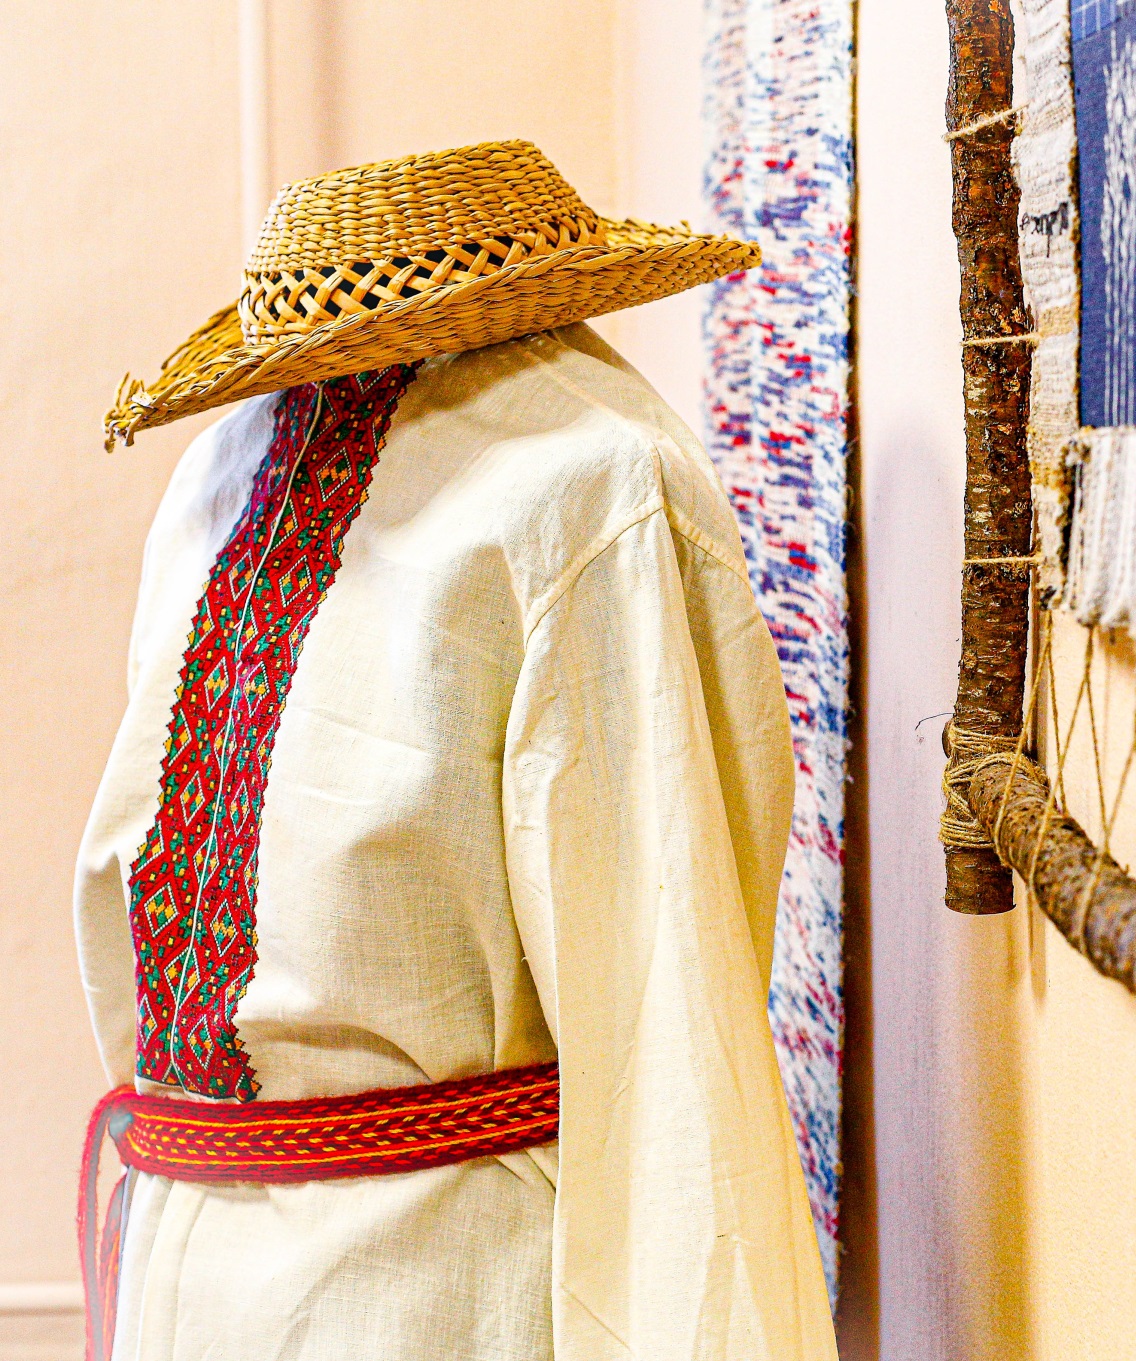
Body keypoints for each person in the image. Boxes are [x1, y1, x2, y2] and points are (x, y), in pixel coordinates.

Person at [74, 140, 838, 1361]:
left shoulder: (590, 480)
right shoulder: (222, 467)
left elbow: (662, 1000)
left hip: (442, 1287)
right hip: (182, 1262)